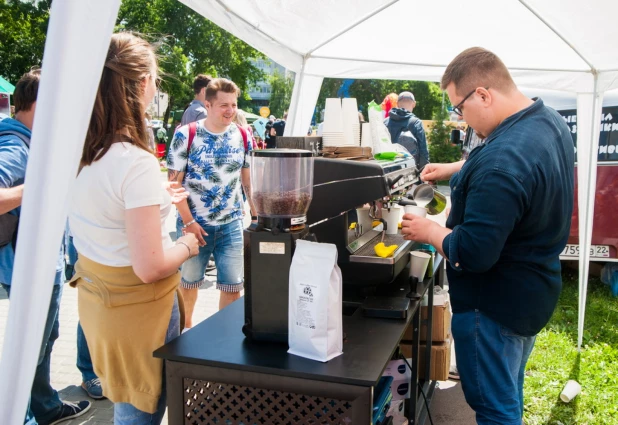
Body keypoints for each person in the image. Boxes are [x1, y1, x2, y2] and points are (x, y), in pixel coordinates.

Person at [400, 47, 574, 425]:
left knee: (496, 410)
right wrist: (456, 168)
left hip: (494, 306)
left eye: (458, 108)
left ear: (482, 94)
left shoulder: (502, 163)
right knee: (507, 388)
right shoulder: (547, 121)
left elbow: (473, 253)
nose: (459, 118)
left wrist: (429, 229)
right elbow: (514, 162)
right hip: (534, 290)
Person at [69, 33, 199, 424]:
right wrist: (188, 244)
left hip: (99, 301)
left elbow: (103, 208)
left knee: (126, 406)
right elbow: (150, 266)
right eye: (156, 79)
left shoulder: (81, 149)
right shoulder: (133, 160)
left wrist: (153, 194)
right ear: (142, 83)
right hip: (138, 310)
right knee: (140, 412)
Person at [0, 69, 92, 424]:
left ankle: (45, 407)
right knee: (30, 348)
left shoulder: (23, 139)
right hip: (30, 266)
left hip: (37, 262)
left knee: (44, 337)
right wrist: (40, 181)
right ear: (40, 105)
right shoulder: (16, 145)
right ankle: (20, 416)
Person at [167, 77, 253, 327]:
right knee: (189, 284)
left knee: (233, 286)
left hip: (231, 224)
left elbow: (246, 177)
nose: (230, 111)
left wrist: (255, 215)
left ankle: (222, 339)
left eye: (234, 105)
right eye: (224, 105)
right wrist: (189, 222)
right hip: (193, 226)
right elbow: (175, 185)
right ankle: (185, 338)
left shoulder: (242, 134)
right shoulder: (187, 134)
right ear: (208, 105)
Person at [384, 91, 430, 169]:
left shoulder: (385, 122)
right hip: (410, 171)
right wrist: (423, 171)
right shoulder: (416, 123)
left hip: (388, 170)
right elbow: (423, 151)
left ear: (397, 104)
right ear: (414, 104)